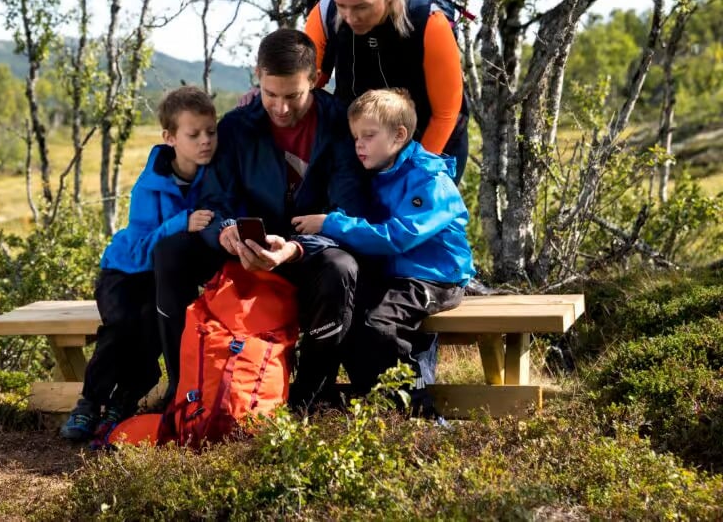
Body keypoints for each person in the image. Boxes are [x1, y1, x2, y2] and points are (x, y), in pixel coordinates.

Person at [153, 28, 370, 411]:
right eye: (270, 94)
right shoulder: (237, 127)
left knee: (342, 267)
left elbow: (350, 214)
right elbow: (214, 201)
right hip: (243, 249)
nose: (280, 108)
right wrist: (225, 234)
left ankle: (307, 399)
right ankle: (184, 388)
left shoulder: (340, 125)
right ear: (257, 75)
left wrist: (294, 249)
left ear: (316, 79)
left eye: (293, 96)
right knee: (173, 252)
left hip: (304, 253)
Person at [292, 88, 475, 412]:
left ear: (399, 135)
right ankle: (377, 408)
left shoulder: (428, 178)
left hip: (436, 278)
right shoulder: (375, 174)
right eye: (355, 137)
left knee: (379, 326)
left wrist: (330, 223)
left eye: (368, 135)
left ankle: (419, 411)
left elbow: (398, 237)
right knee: (349, 321)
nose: (358, 144)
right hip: (398, 277)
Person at [59, 86, 218, 442]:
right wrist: (182, 222)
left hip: (160, 277)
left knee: (154, 327)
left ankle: (124, 402)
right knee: (122, 326)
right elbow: (142, 245)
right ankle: (89, 403)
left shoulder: (213, 176)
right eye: (193, 135)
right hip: (125, 270)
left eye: (211, 131)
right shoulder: (150, 185)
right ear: (170, 137)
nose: (205, 141)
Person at [303, 0, 470, 186]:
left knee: (413, 218)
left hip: (431, 137)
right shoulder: (324, 13)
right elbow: (304, 83)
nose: (349, 17)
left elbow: (446, 113)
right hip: (362, 141)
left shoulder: (429, 21)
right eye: (342, 6)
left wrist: (413, 175)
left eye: (361, 7)